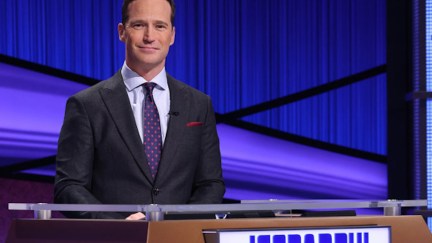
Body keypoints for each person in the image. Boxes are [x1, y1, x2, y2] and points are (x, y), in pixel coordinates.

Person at [54, 0, 225, 219]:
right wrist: (117, 225)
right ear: (121, 32)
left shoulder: (198, 104)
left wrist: (177, 226)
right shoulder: (87, 104)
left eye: (160, 26)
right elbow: (69, 186)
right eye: (138, 25)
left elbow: (211, 183)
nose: (149, 36)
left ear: (172, 35)